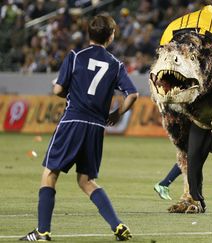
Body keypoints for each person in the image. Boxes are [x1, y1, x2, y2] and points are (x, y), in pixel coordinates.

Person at [20, 14, 138, 242]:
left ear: (89, 34)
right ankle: (118, 225)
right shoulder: (115, 64)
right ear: (111, 36)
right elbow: (132, 94)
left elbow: (57, 90)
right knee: (86, 180)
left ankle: (43, 232)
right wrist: (116, 113)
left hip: (73, 121)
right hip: (95, 127)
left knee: (50, 174)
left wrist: (66, 90)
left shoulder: (76, 56)